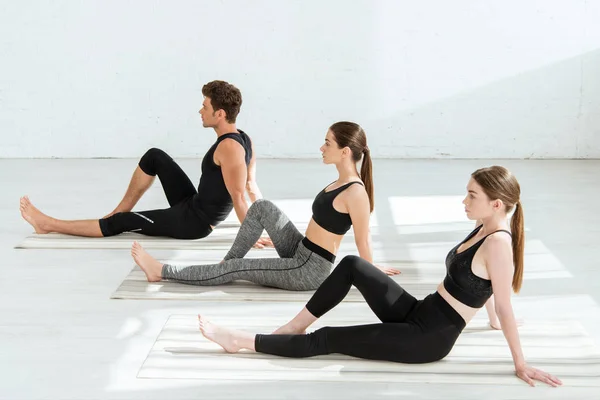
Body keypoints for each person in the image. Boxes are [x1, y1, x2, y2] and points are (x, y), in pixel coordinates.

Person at [195, 165, 562, 387]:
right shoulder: (484, 226)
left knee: (329, 339)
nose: (464, 201)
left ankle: (241, 341)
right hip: (421, 311)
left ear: (497, 204)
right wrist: (493, 322)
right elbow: (488, 292)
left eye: (471, 196)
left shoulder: (498, 243)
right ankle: (294, 325)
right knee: (353, 265)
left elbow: (503, 301)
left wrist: (519, 362)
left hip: (428, 338)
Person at [130, 121, 400, 291]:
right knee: (262, 207)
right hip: (302, 248)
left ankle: (163, 271)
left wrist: (372, 270)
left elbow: (363, 240)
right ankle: (230, 260)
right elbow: (326, 224)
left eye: (327, 143)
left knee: (234, 271)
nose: (321, 147)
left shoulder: (356, 194)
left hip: (309, 270)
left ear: (344, 151)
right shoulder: (341, 182)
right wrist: (278, 237)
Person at [19, 80, 270, 246]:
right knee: (155, 155)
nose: (200, 111)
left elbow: (239, 196)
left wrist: (251, 235)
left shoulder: (229, 147)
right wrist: (266, 225)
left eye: (205, 106)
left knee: (119, 225)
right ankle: (121, 209)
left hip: (194, 223)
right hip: (192, 204)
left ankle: (48, 224)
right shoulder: (245, 139)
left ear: (220, 113)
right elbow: (252, 187)